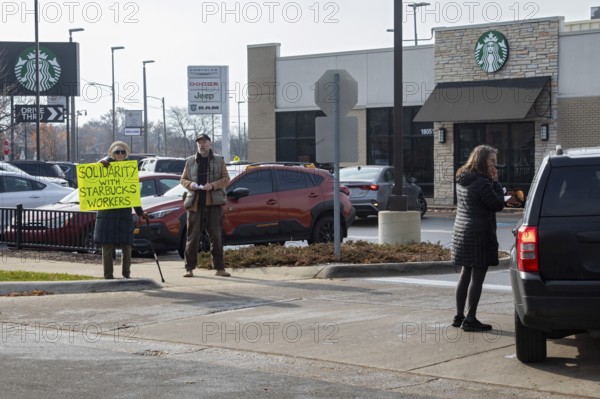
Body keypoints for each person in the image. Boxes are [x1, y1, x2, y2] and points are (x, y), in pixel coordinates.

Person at [451, 144, 505, 332]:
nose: (495, 166)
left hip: (462, 232)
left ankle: (459, 316)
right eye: (492, 161)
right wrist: (496, 182)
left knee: (466, 272)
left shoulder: (462, 178)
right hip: (479, 233)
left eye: (495, 162)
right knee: (477, 277)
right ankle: (471, 319)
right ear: (481, 160)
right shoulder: (482, 182)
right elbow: (497, 204)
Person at [94, 141, 148, 279]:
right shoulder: (104, 165)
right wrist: (102, 162)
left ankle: (126, 274)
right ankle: (108, 275)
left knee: (127, 245)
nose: (119, 154)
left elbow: (133, 194)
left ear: (126, 154)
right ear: (112, 153)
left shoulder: (129, 169)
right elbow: (92, 173)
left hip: (124, 214)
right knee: (107, 246)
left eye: (122, 152)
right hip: (107, 213)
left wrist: (140, 212)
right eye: (117, 151)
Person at [180, 133, 231, 277]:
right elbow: (182, 180)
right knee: (192, 237)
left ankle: (220, 268)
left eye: (204, 142)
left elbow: (226, 179)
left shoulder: (219, 160)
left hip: (214, 204)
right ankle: (189, 268)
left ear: (210, 143)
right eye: (199, 143)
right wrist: (191, 184)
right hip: (194, 204)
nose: (202, 145)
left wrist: (213, 186)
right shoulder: (190, 161)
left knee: (215, 236)